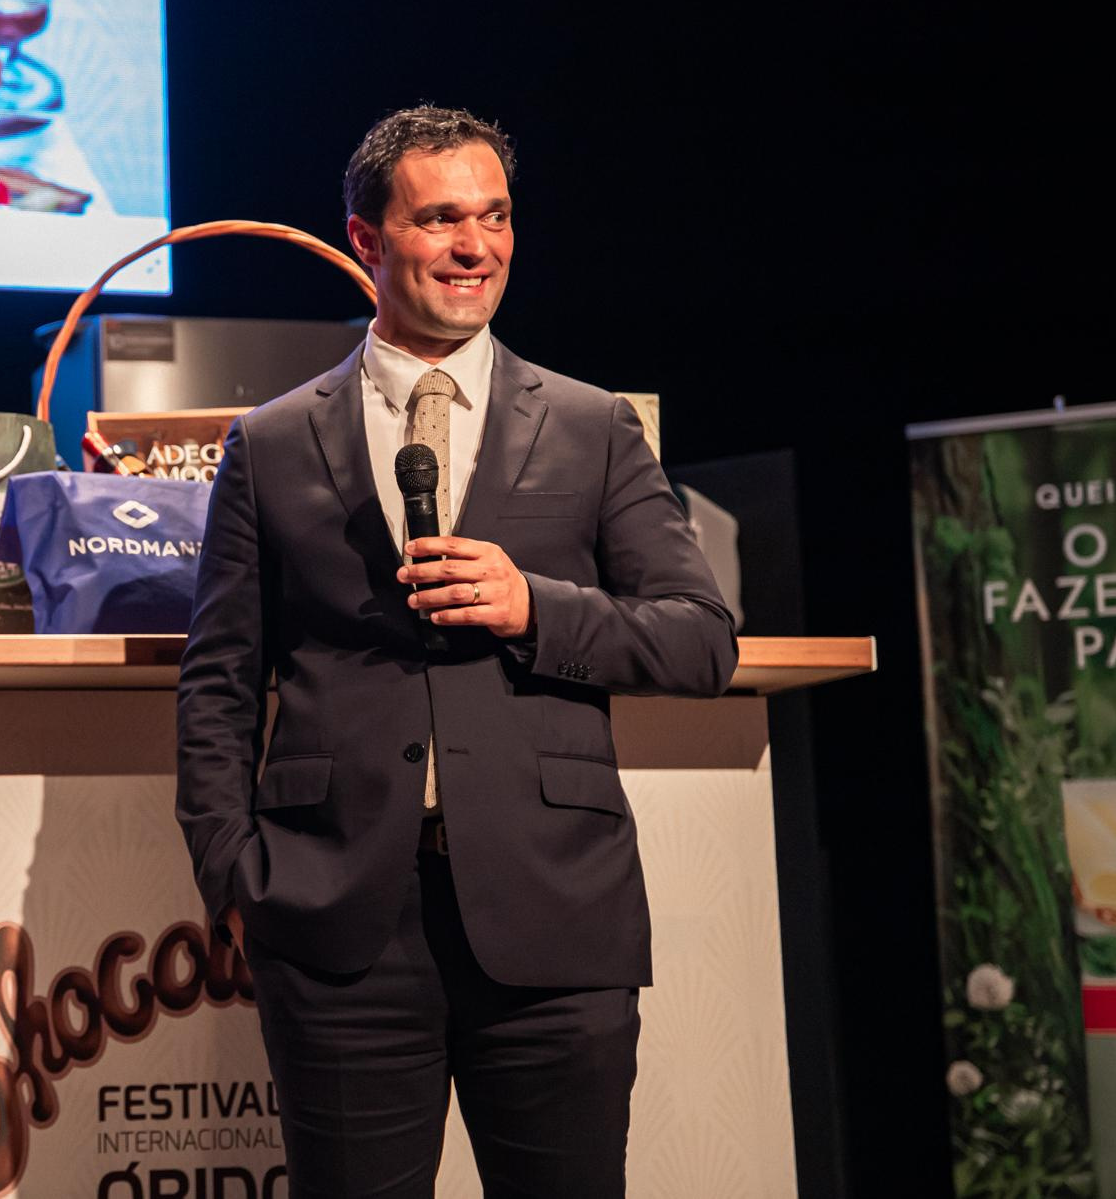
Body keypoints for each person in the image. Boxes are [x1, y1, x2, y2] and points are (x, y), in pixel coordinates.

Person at [176, 106, 737, 1197]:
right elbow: (219, 681)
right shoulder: (276, 438)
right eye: (439, 219)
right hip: (336, 922)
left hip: (552, 916)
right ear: (366, 240)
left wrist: (534, 605)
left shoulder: (587, 423)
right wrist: (234, 876)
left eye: (493, 218)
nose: (474, 246)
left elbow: (699, 641)